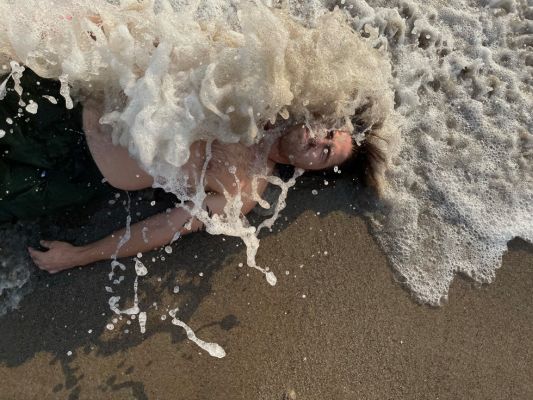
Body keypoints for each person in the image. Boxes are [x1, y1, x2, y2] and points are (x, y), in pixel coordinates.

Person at [0, 71, 387, 274]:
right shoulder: (259, 91)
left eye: (324, 154)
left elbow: (164, 227)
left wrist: (80, 256)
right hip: (68, 103)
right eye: (328, 133)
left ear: (309, 169)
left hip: (72, 176)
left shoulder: (244, 188)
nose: (317, 141)